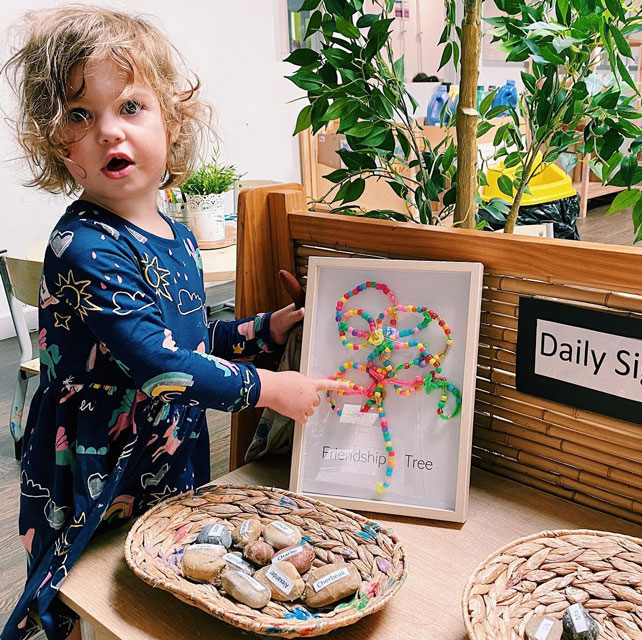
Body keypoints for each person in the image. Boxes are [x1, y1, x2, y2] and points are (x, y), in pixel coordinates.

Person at [1, 6, 348, 639]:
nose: (109, 131)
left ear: (172, 120)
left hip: (164, 451)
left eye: (129, 106)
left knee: (154, 585)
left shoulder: (179, 236)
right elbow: (160, 365)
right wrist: (272, 388)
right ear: (58, 143)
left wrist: (265, 330)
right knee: (83, 592)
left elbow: (188, 340)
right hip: (97, 459)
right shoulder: (83, 247)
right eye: (80, 116)